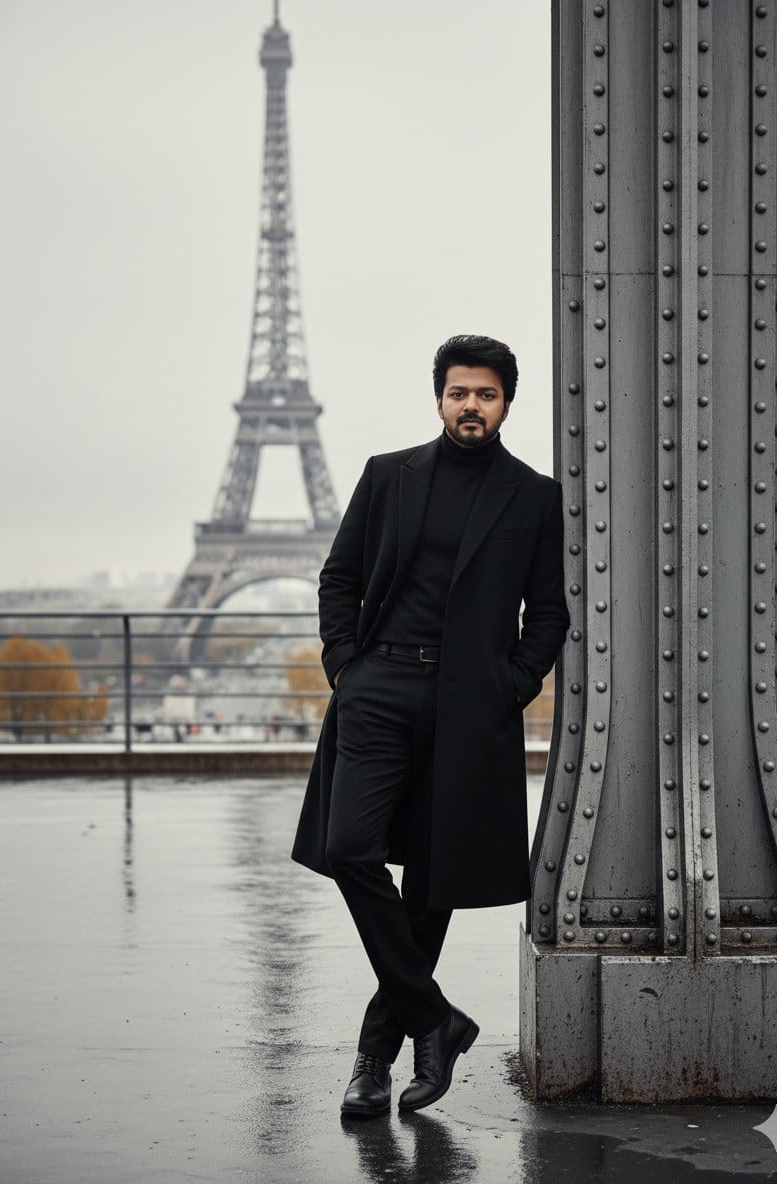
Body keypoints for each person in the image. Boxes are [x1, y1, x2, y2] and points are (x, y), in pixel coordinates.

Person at [290, 334, 570, 1117]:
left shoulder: (534, 496)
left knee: (433, 884)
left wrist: (507, 688)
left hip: (468, 704)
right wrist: (346, 665)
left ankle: (375, 1061)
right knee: (351, 848)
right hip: (377, 688)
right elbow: (339, 577)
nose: (470, 405)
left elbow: (548, 611)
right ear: (439, 397)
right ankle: (435, 1018)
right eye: (458, 392)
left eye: (484, 393)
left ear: (505, 402)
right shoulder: (388, 476)